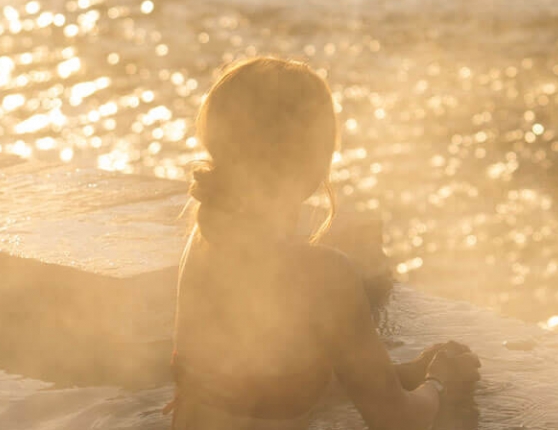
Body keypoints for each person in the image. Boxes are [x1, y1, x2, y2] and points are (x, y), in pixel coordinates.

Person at [168, 57, 481, 429]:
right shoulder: (323, 274)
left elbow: (259, 382)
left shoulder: (205, 240)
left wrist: (400, 374)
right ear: (313, 161)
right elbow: (397, 420)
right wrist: (440, 383)